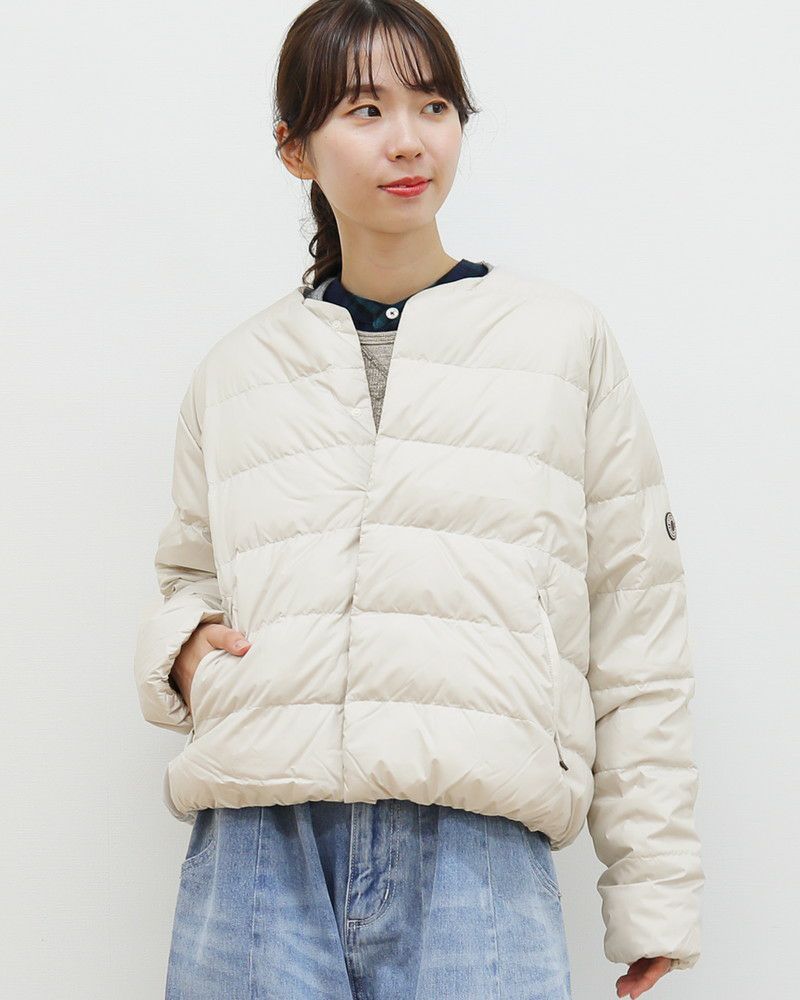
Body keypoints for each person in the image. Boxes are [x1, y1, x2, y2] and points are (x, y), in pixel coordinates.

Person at [133, 3, 704, 998]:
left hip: (477, 853)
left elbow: (635, 621)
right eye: (365, 110)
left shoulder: (560, 342)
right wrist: (182, 650)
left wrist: (651, 888)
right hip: (259, 845)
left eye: (433, 105)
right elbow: (190, 577)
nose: (407, 140)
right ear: (294, 148)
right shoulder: (235, 371)